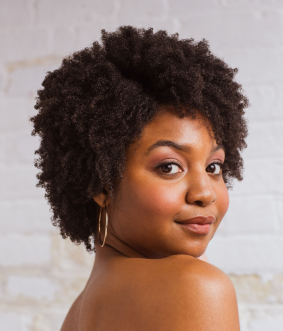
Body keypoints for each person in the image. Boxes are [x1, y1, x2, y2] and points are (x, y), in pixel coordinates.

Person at [30, 25, 248, 330]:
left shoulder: (79, 313)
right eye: (169, 167)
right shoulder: (193, 286)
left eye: (213, 167)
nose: (204, 193)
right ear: (101, 183)